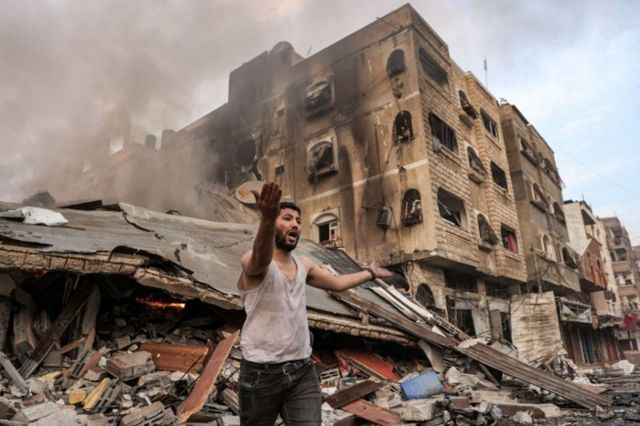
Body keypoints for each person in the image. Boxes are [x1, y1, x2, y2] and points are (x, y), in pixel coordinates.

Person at [237, 182, 391, 425]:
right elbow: (259, 260)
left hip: (301, 371)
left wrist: (370, 274)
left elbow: (337, 283)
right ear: (270, 221)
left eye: (298, 220)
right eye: (287, 218)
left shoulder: (304, 264)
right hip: (261, 374)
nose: (295, 224)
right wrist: (266, 217)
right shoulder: (253, 260)